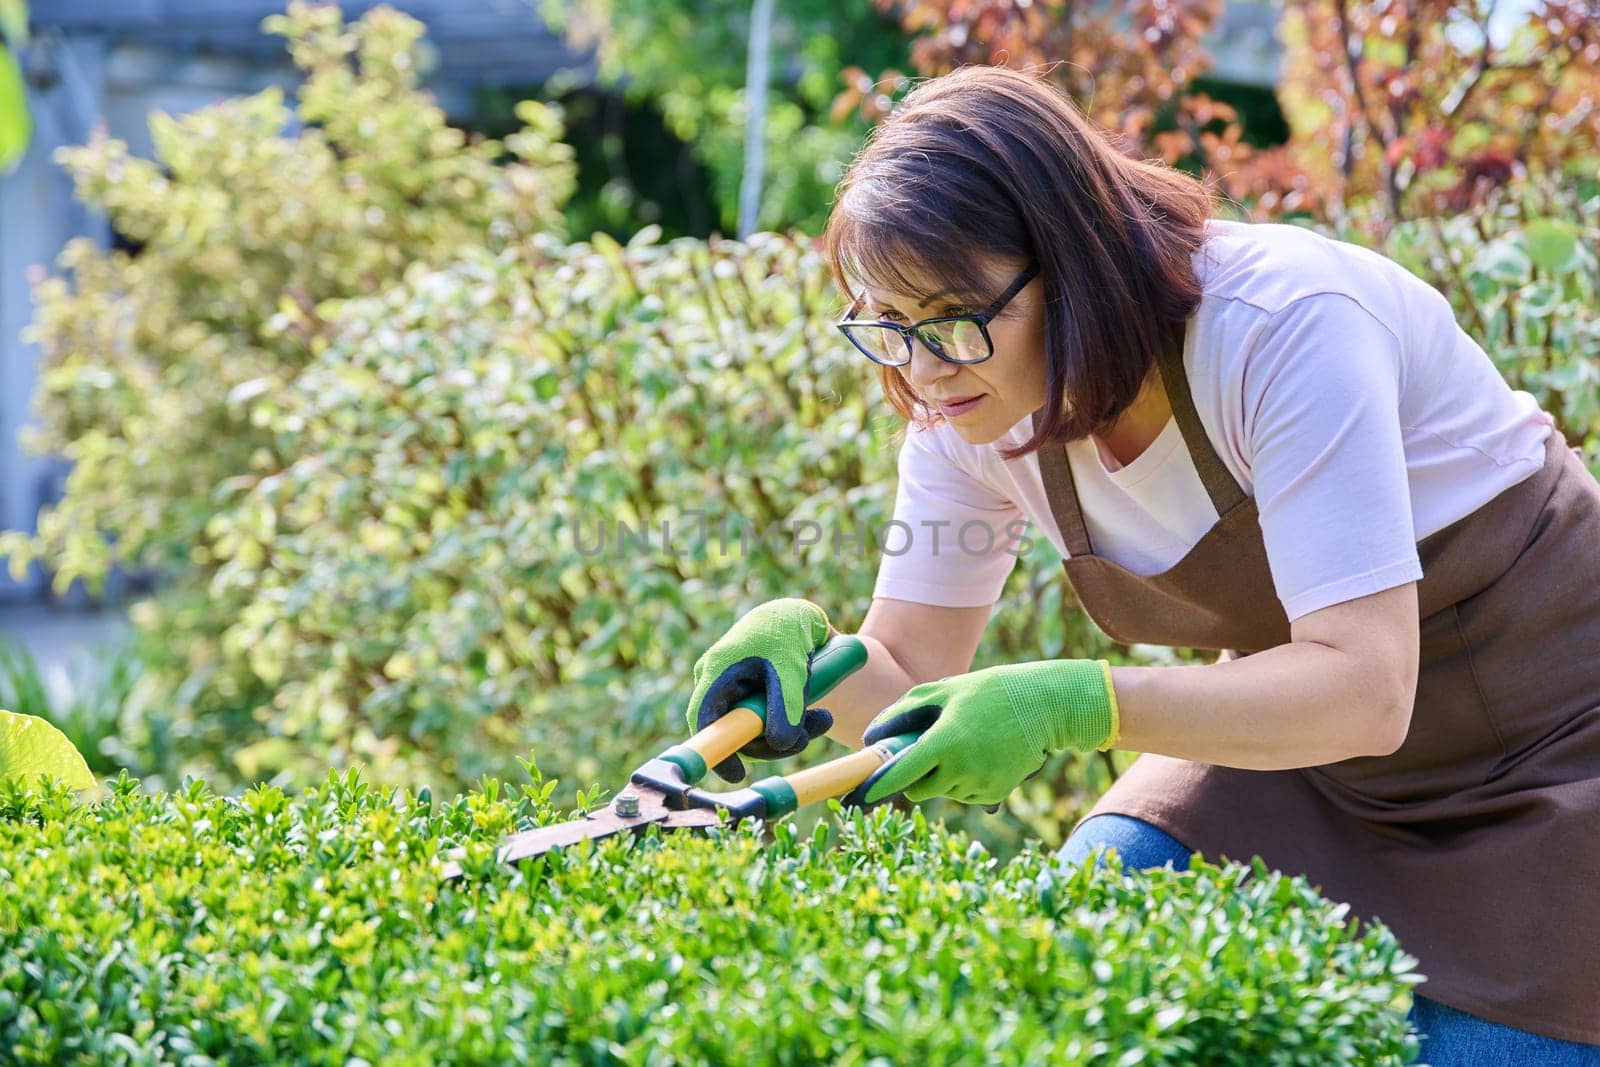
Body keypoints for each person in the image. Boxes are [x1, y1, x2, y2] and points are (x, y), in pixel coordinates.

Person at [681, 64, 1600, 1063]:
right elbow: (907, 673)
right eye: (885, 325)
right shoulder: (958, 410)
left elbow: (1366, 687)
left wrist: (1084, 701)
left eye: (949, 318)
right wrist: (808, 666)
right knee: (1063, 967)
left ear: (1069, 263)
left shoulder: (1284, 326)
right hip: (1296, 755)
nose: (920, 368)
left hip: (1550, 746)